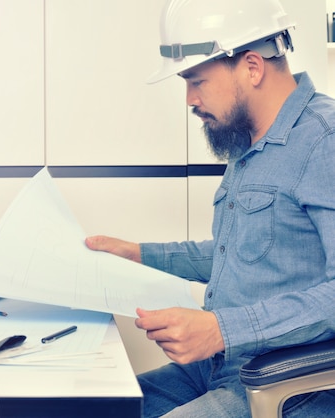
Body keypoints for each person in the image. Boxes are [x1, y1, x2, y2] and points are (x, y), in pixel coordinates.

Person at [85, 0, 335, 417]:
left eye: (196, 80)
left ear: (252, 67)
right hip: (214, 367)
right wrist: (140, 255)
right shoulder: (248, 140)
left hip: (283, 383)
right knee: (90, 407)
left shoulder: (325, 142)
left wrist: (222, 330)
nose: (189, 99)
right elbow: (243, 255)